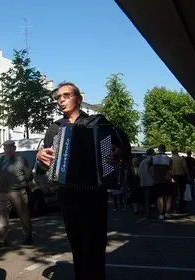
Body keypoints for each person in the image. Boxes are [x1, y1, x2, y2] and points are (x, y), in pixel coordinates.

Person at [36, 82, 130, 280]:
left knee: (95, 246)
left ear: (78, 98)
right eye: (58, 97)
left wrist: (117, 153)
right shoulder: (54, 129)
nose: (61, 100)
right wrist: (41, 157)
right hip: (68, 193)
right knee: (77, 245)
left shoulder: (98, 123)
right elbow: (45, 166)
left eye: (66, 95)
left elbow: (123, 143)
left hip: (94, 193)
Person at [0, 140, 33, 249]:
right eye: (5, 148)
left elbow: (29, 176)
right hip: (4, 192)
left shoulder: (21, 160)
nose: (6, 150)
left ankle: (28, 235)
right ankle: (1, 240)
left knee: (23, 214)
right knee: (3, 216)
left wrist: (23, 186)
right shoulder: (2, 159)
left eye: (9, 148)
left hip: (18, 192)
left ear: (14, 148)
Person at [149, 144, 173, 220]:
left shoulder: (153, 158)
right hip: (166, 180)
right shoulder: (168, 158)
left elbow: (149, 167)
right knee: (167, 196)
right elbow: (170, 170)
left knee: (159, 197)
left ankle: (161, 214)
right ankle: (166, 212)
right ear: (165, 149)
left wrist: (152, 176)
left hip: (157, 180)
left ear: (158, 149)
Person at [138, 148, 155, 218]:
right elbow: (152, 171)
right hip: (150, 182)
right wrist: (152, 178)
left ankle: (146, 213)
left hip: (143, 182)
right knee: (149, 199)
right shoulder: (151, 160)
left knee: (146, 198)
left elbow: (139, 173)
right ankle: (148, 214)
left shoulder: (143, 161)